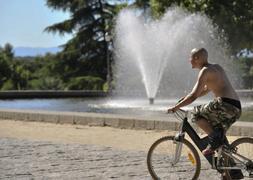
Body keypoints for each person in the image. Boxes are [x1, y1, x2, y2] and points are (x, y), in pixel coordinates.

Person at [167, 48, 243, 179]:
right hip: (235, 107)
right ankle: (231, 172)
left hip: (224, 104)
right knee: (220, 137)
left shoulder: (204, 71)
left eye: (190, 57)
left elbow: (194, 96)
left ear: (197, 58)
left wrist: (176, 107)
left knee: (195, 114)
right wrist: (186, 98)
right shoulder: (216, 67)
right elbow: (206, 89)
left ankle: (213, 141)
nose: (189, 60)